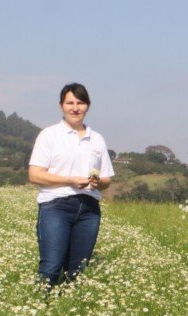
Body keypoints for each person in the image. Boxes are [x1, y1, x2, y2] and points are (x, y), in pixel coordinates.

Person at [28, 83, 115, 287]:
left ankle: (66, 311)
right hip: (56, 207)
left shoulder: (97, 139)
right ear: (61, 106)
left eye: (80, 102)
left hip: (89, 210)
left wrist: (97, 182)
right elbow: (35, 175)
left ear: (88, 106)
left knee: (77, 271)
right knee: (51, 268)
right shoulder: (49, 135)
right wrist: (70, 180)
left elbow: (107, 181)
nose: (75, 108)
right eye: (70, 103)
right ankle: (41, 310)